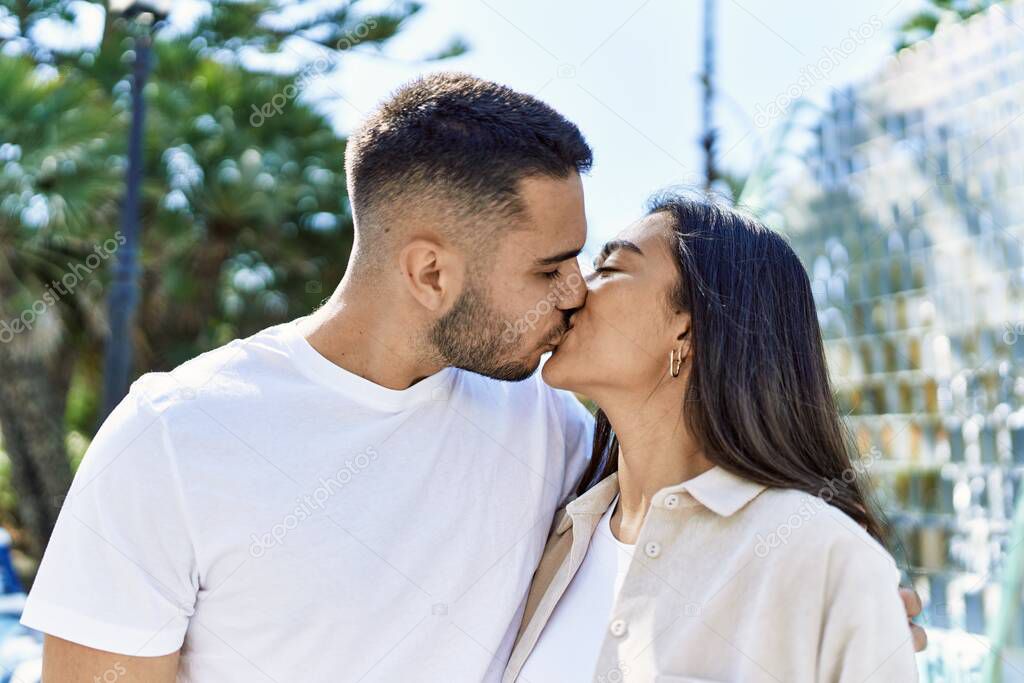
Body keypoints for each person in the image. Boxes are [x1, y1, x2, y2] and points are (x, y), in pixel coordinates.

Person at [24, 74, 924, 682]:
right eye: (550, 269)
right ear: (429, 273)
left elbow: (709, 514)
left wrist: (847, 614)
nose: (574, 293)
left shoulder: (553, 432)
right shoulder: (177, 438)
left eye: (590, 262)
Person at [505, 196, 920, 682]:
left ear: (687, 329)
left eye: (610, 268)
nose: (575, 290)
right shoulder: (558, 532)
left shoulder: (824, 558)